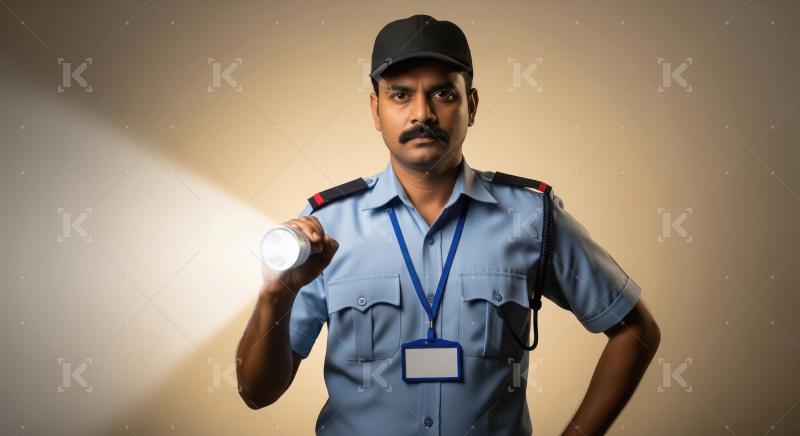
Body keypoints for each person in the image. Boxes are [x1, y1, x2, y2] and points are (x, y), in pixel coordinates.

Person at [236, 14, 661, 436]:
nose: (422, 113)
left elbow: (635, 333)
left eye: (442, 93)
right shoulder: (324, 229)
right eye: (400, 95)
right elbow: (257, 393)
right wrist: (276, 296)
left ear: (471, 105)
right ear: (376, 110)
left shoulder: (533, 217)